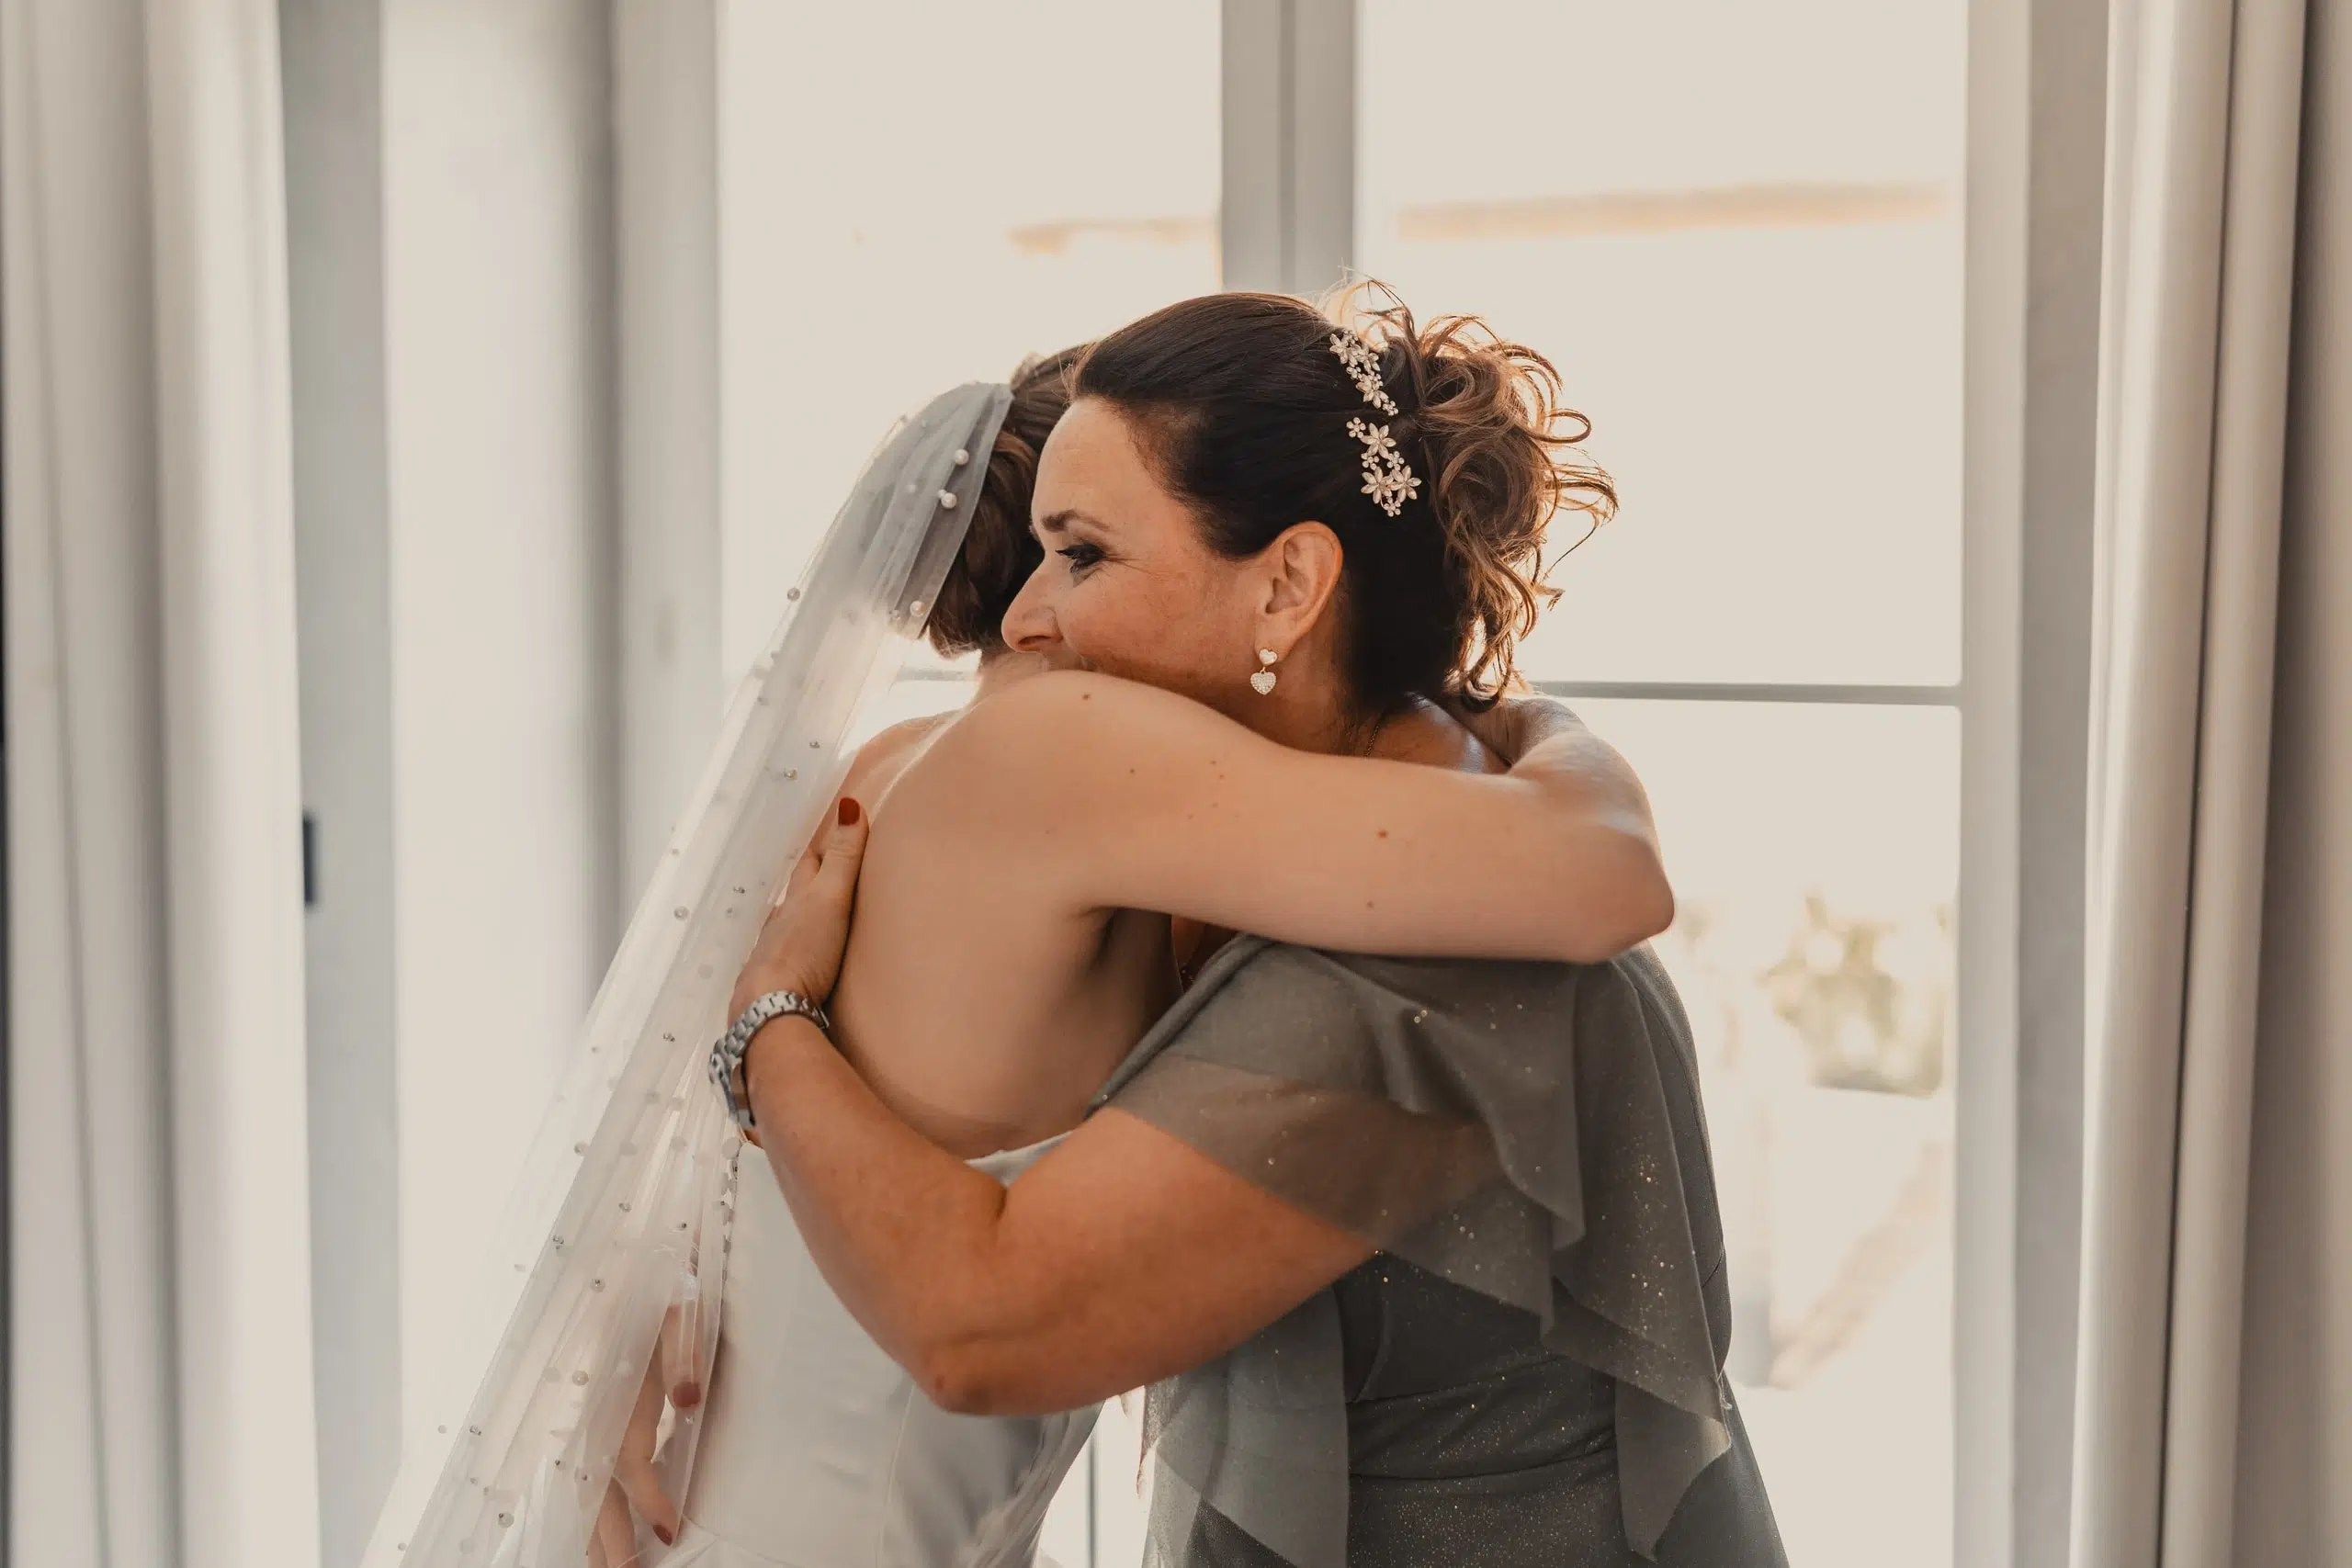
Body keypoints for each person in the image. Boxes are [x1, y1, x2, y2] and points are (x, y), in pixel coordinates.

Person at [723, 291, 1787, 1566]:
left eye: (1084, 554)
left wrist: (769, 1025)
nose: (1019, 621)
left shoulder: (1388, 992)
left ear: (1287, 582)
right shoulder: (1438, 846)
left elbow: (976, 1330)